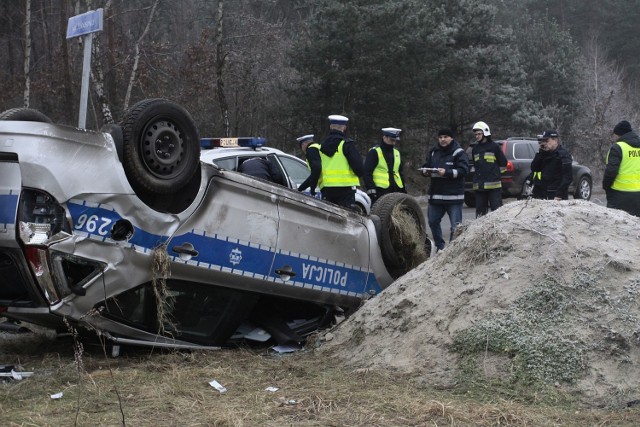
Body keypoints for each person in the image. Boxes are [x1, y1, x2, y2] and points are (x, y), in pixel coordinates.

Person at [422, 128, 469, 251]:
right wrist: (425, 171)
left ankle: (452, 250)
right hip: (436, 196)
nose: (442, 139)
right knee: (432, 222)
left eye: (445, 137)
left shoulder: (458, 152)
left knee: (456, 227)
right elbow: (427, 165)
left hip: (454, 197)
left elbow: (464, 170)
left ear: (451, 138)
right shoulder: (433, 151)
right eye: (440, 137)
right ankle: (440, 247)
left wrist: (446, 172)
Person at [318, 114, 364, 210]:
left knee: (329, 217)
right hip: (346, 189)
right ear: (344, 128)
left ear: (331, 127)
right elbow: (358, 167)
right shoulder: (347, 144)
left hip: (327, 188)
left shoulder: (321, 146)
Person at [603, 120, 640, 217]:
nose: (614, 137)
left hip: (619, 194)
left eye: (615, 135)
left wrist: (606, 186)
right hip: (638, 195)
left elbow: (611, 172)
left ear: (619, 134)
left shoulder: (618, 147)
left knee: (616, 227)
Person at [470, 121, 507, 217]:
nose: (477, 136)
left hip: (494, 187)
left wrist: (496, 176)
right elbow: (476, 165)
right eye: (476, 134)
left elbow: (503, 164)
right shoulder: (475, 149)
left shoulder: (494, 147)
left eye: (479, 134)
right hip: (479, 187)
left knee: (497, 212)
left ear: (485, 133)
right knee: (480, 213)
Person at [363, 127, 406, 203]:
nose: (393, 143)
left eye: (395, 141)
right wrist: (371, 189)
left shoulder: (396, 153)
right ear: (384, 138)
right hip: (380, 191)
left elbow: (400, 172)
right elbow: (367, 172)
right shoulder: (374, 152)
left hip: (396, 190)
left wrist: (403, 189)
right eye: (391, 140)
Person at [527, 129, 572, 200]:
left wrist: (559, 194)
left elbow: (567, 177)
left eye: (547, 141)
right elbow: (534, 169)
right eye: (543, 141)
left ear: (555, 141)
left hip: (555, 194)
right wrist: (540, 153)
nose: (544, 143)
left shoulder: (563, 154)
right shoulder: (543, 153)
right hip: (541, 194)